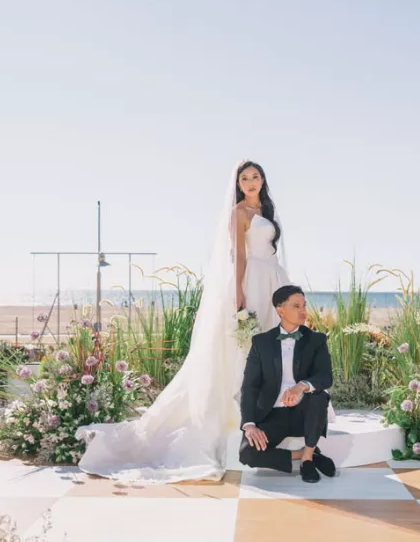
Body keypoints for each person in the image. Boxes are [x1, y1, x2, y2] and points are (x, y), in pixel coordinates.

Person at [76, 161, 291, 484]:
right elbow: (238, 256)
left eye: (255, 177)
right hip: (252, 281)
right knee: (249, 344)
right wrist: (239, 293)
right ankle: (243, 409)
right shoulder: (238, 213)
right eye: (244, 178)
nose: (250, 182)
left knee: (274, 341)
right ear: (237, 184)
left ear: (263, 180)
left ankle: (272, 403)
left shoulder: (267, 210)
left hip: (272, 279)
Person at [240, 285, 335, 483]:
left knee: (319, 396)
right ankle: (304, 454)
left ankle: (307, 460)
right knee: (247, 453)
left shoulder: (316, 340)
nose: (303, 311)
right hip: (273, 414)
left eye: (304, 305)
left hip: (305, 413)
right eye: (296, 306)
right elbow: (250, 386)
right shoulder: (261, 342)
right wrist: (249, 425)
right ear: (280, 310)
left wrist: (301, 386)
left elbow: (325, 377)